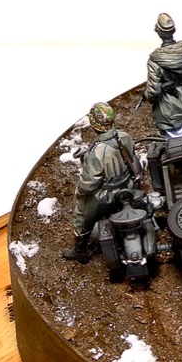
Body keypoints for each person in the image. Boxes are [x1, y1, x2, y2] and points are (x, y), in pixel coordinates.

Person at [63, 102, 140, 262]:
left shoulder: (96, 152)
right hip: (128, 185)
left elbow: (89, 184)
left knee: (81, 214)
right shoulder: (124, 136)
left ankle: (80, 250)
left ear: (94, 124)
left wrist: (80, 191)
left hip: (106, 195)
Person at [143, 13, 182, 138]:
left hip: (169, 105)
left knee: (173, 141)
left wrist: (146, 94)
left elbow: (154, 93)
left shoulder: (155, 60)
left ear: (158, 32)